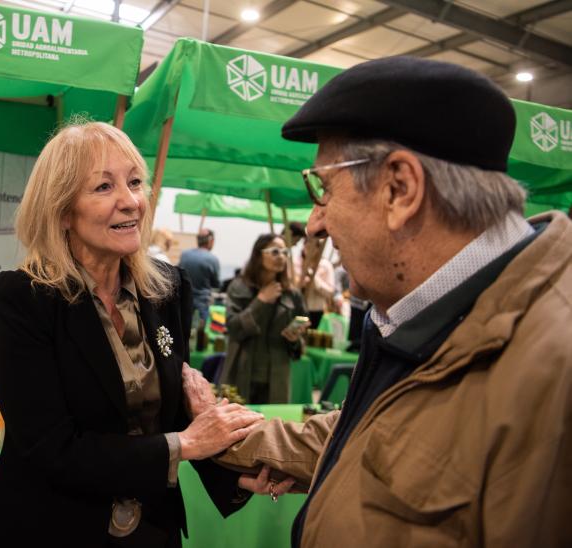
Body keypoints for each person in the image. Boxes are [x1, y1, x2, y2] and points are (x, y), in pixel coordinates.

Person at [186, 56, 572, 546]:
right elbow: (376, 436)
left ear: (399, 189)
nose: (315, 223)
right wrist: (228, 437)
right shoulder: (424, 309)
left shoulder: (554, 370)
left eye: (322, 189)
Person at [0, 121, 263, 548]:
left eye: (135, 182)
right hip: (52, 530)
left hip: (150, 532)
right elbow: (51, 448)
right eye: (104, 187)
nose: (130, 202)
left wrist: (238, 471)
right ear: (63, 210)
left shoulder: (166, 288)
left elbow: (170, 414)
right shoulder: (24, 298)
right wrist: (184, 444)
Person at [219, 234, 307, 404]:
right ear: (258, 255)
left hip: (277, 378)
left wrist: (295, 339)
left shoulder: (292, 294)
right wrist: (260, 301)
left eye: (284, 252)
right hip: (242, 372)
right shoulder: (239, 287)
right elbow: (234, 328)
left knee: (271, 427)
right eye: (275, 251)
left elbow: (300, 345)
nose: (281, 256)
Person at [178, 228, 220, 325]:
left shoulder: (185, 255)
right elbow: (216, 284)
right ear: (211, 241)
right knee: (201, 334)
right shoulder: (212, 259)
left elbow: (178, 273)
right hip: (202, 305)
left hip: (184, 301)